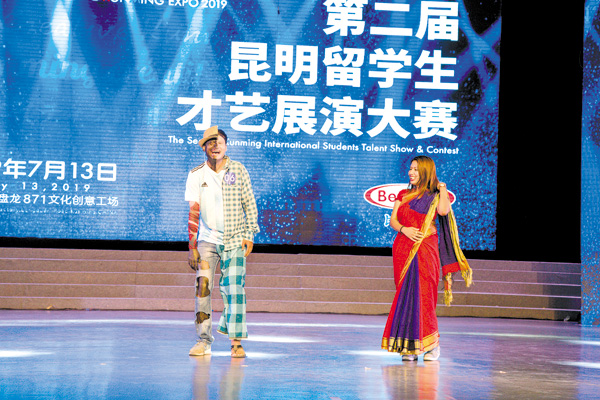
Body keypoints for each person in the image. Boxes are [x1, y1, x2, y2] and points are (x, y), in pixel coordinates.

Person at [381, 155, 472, 361]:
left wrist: (442, 189)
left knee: (424, 297)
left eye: (415, 169)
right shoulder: (404, 194)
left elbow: (443, 211)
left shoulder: (435, 195)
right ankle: (409, 347)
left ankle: (432, 345)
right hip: (403, 248)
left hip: (425, 249)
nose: (411, 172)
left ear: (425, 171)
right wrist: (404, 229)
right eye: (410, 168)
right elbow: (393, 221)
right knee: (405, 297)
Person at [185, 126, 259, 358]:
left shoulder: (238, 169)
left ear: (226, 146)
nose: (215, 146)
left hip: (235, 239)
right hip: (207, 241)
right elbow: (193, 213)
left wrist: (249, 234)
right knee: (202, 289)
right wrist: (192, 247)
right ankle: (203, 340)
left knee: (234, 290)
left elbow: (249, 203)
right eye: (210, 142)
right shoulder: (197, 174)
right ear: (204, 148)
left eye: (219, 142)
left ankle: (236, 343)